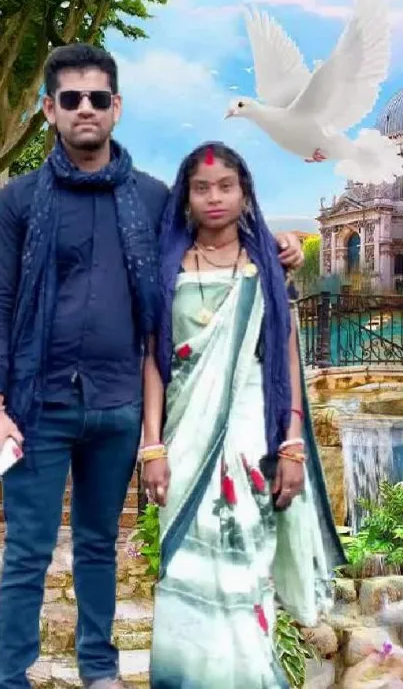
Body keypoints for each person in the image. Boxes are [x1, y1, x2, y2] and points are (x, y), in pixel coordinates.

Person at [0, 44, 303, 689]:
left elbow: (215, 239)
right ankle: (10, 674)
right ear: (49, 109)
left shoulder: (151, 197)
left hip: (118, 406)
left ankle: (100, 669)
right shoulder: (19, 201)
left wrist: (282, 245)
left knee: (98, 544)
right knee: (26, 551)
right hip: (38, 405)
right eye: (72, 99)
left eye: (99, 98)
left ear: (118, 108)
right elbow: (0, 304)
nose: (86, 109)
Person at [141, 142, 345, 689]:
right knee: (184, 567)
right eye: (202, 187)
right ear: (186, 196)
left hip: (254, 439)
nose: (214, 197)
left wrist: (293, 444)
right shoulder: (167, 268)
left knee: (246, 569)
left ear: (244, 193)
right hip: (184, 442)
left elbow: (287, 357)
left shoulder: (267, 268)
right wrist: (152, 446)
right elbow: (155, 362)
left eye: (225, 186)